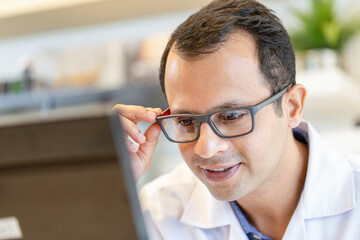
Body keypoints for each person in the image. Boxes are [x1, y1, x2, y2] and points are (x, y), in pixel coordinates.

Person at [113, 0, 360, 239]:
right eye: (187, 121)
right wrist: (106, 187)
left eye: (231, 116)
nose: (206, 149)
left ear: (292, 107)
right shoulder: (158, 214)